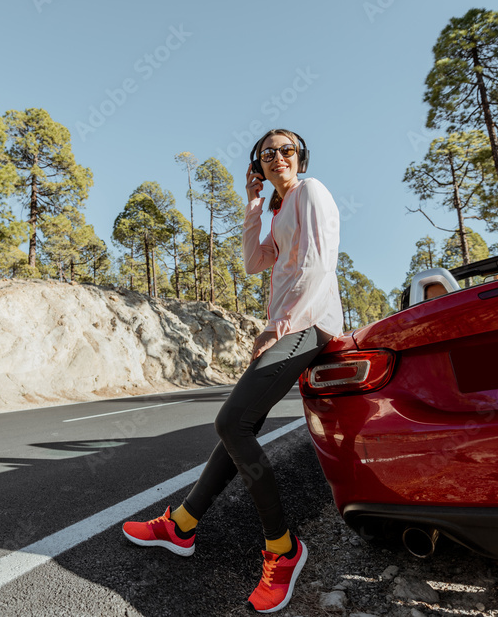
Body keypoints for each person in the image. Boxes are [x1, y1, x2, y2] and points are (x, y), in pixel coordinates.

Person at [122, 128, 344, 613]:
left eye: (286, 150)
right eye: (268, 154)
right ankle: (181, 524)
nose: (278, 157)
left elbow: (320, 265)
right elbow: (250, 263)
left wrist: (279, 326)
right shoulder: (281, 208)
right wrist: (252, 204)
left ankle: (283, 550)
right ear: (258, 166)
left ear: (300, 157)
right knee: (238, 429)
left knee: (230, 422)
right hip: (291, 324)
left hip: (310, 324)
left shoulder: (311, 191)